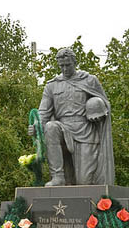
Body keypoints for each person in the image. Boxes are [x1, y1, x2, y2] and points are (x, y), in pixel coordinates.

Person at [28, 48, 115, 186]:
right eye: (61, 66)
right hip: (63, 128)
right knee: (51, 127)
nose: (64, 69)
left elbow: (104, 103)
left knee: (84, 183)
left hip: (85, 132)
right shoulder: (52, 85)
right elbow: (43, 112)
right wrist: (36, 127)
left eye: (67, 65)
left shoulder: (89, 80)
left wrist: (96, 107)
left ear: (74, 62)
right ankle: (57, 177)